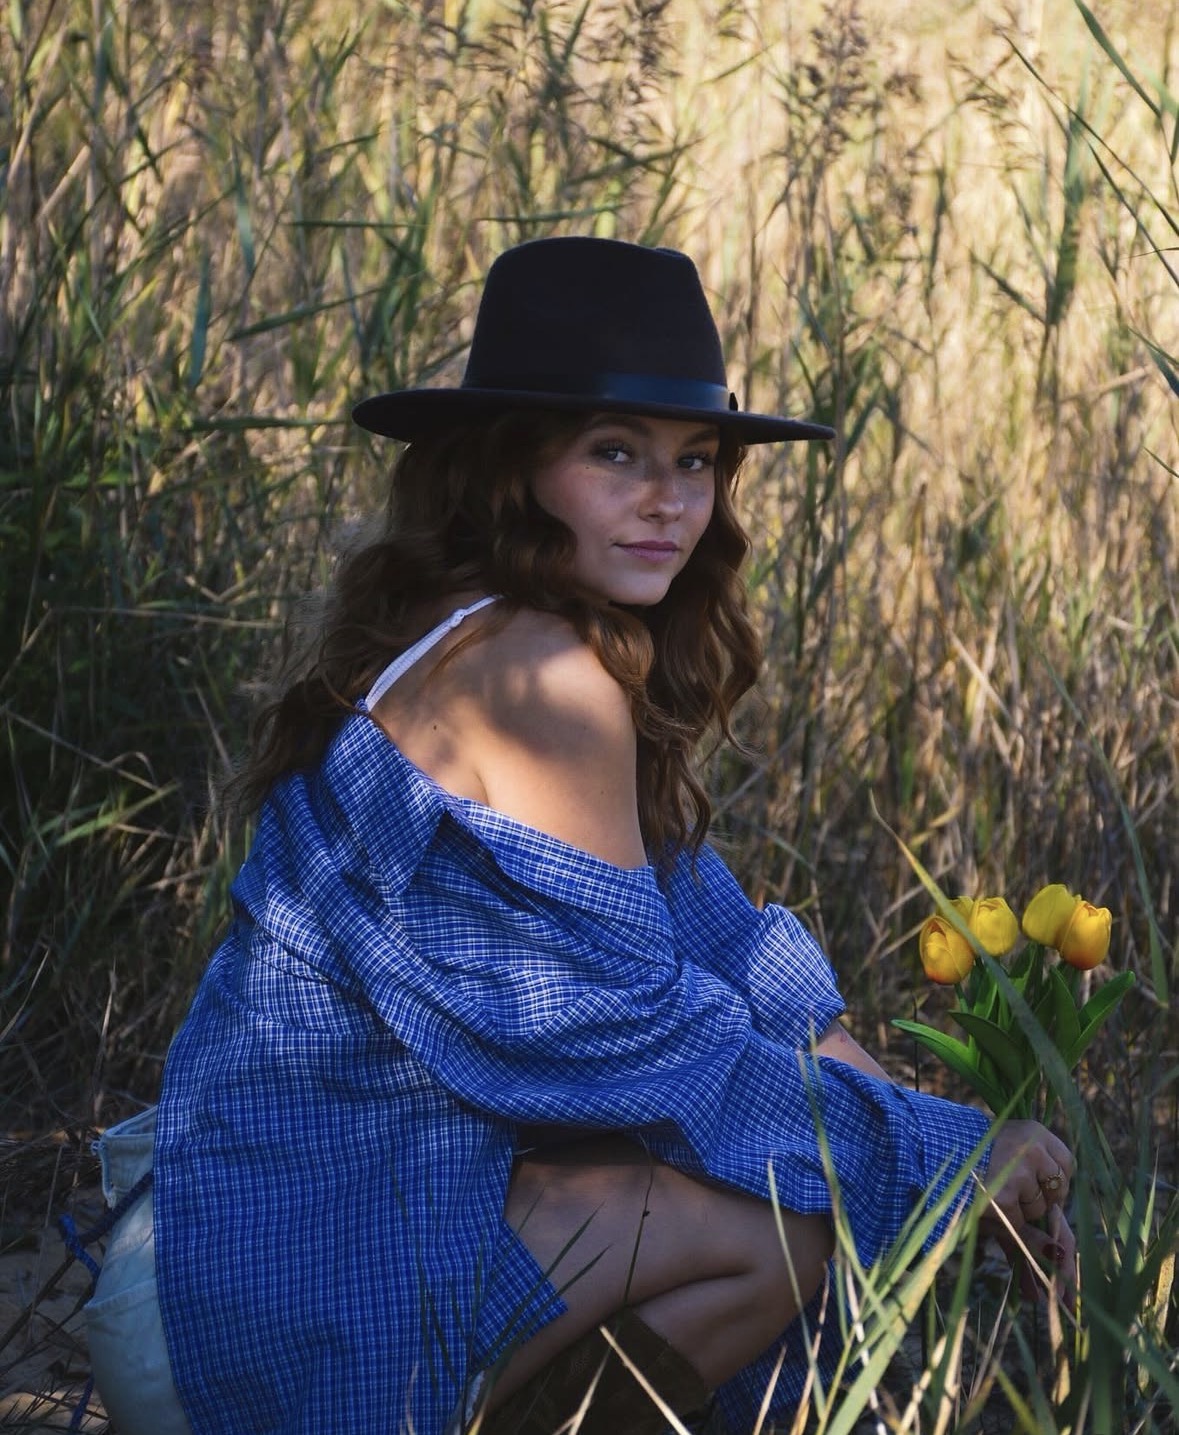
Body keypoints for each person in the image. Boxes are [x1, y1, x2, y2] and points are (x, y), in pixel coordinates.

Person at [84, 237, 1076, 1435]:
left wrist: (966, 1150)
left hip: (209, 1245)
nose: (669, 498)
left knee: (776, 1176)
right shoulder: (540, 669)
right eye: (616, 452)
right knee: (769, 1227)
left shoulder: (490, 632)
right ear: (514, 468)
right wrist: (937, 1157)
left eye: (694, 460)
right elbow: (648, 1050)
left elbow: (731, 958)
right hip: (269, 1297)